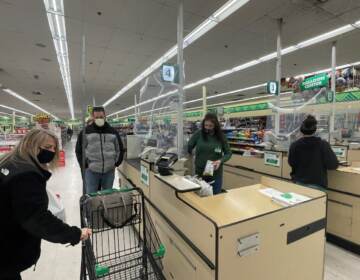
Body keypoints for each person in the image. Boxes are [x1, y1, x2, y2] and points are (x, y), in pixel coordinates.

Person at [0, 129, 91, 280]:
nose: (52, 151)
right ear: (31, 144)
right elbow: (37, 219)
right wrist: (74, 234)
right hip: (5, 253)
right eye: (47, 147)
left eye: (54, 148)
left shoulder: (10, 163)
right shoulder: (26, 175)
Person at [76, 106, 124, 193]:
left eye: (101, 117)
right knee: (91, 197)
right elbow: (79, 150)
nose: (99, 119)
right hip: (91, 171)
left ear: (105, 116)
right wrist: (85, 165)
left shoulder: (113, 131)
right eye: (96, 117)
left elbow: (120, 148)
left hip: (109, 171)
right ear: (93, 117)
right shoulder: (85, 132)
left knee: (107, 196)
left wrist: (117, 163)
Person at [288, 115, 339, 188]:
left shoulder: (294, 145)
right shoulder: (323, 144)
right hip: (317, 185)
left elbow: (291, 162)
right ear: (315, 130)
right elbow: (333, 165)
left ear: (301, 130)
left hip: (299, 183)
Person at [188, 113, 232, 194]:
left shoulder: (221, 137)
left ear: (216, 125)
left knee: (215, 198)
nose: (207, 128)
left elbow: (228, 153)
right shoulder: (199, 134)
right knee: (199, 197)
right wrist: (191, 152)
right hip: (200, 173)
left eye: (210, 126)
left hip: (215, 174)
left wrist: (220, 161)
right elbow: (189, 146)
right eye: (206, 125)